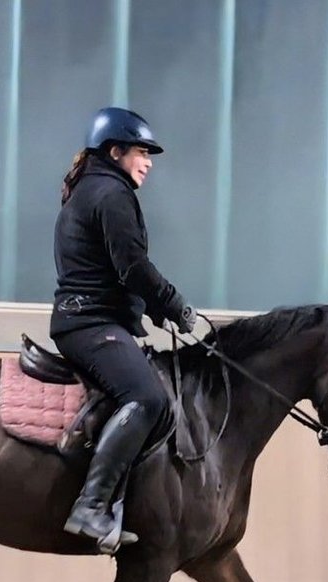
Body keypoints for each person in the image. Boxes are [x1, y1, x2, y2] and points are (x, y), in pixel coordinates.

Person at [50, 106, 197, 548]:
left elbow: (112, 271)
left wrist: (149, 309)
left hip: (91, 318)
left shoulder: (92, 189)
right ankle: (91, 507)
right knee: (148, 397)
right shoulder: (111, 195)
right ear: (115, 152)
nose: (148, 161)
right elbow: (132, 267)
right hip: (90, 324)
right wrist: (174, 304)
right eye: (141, 152)